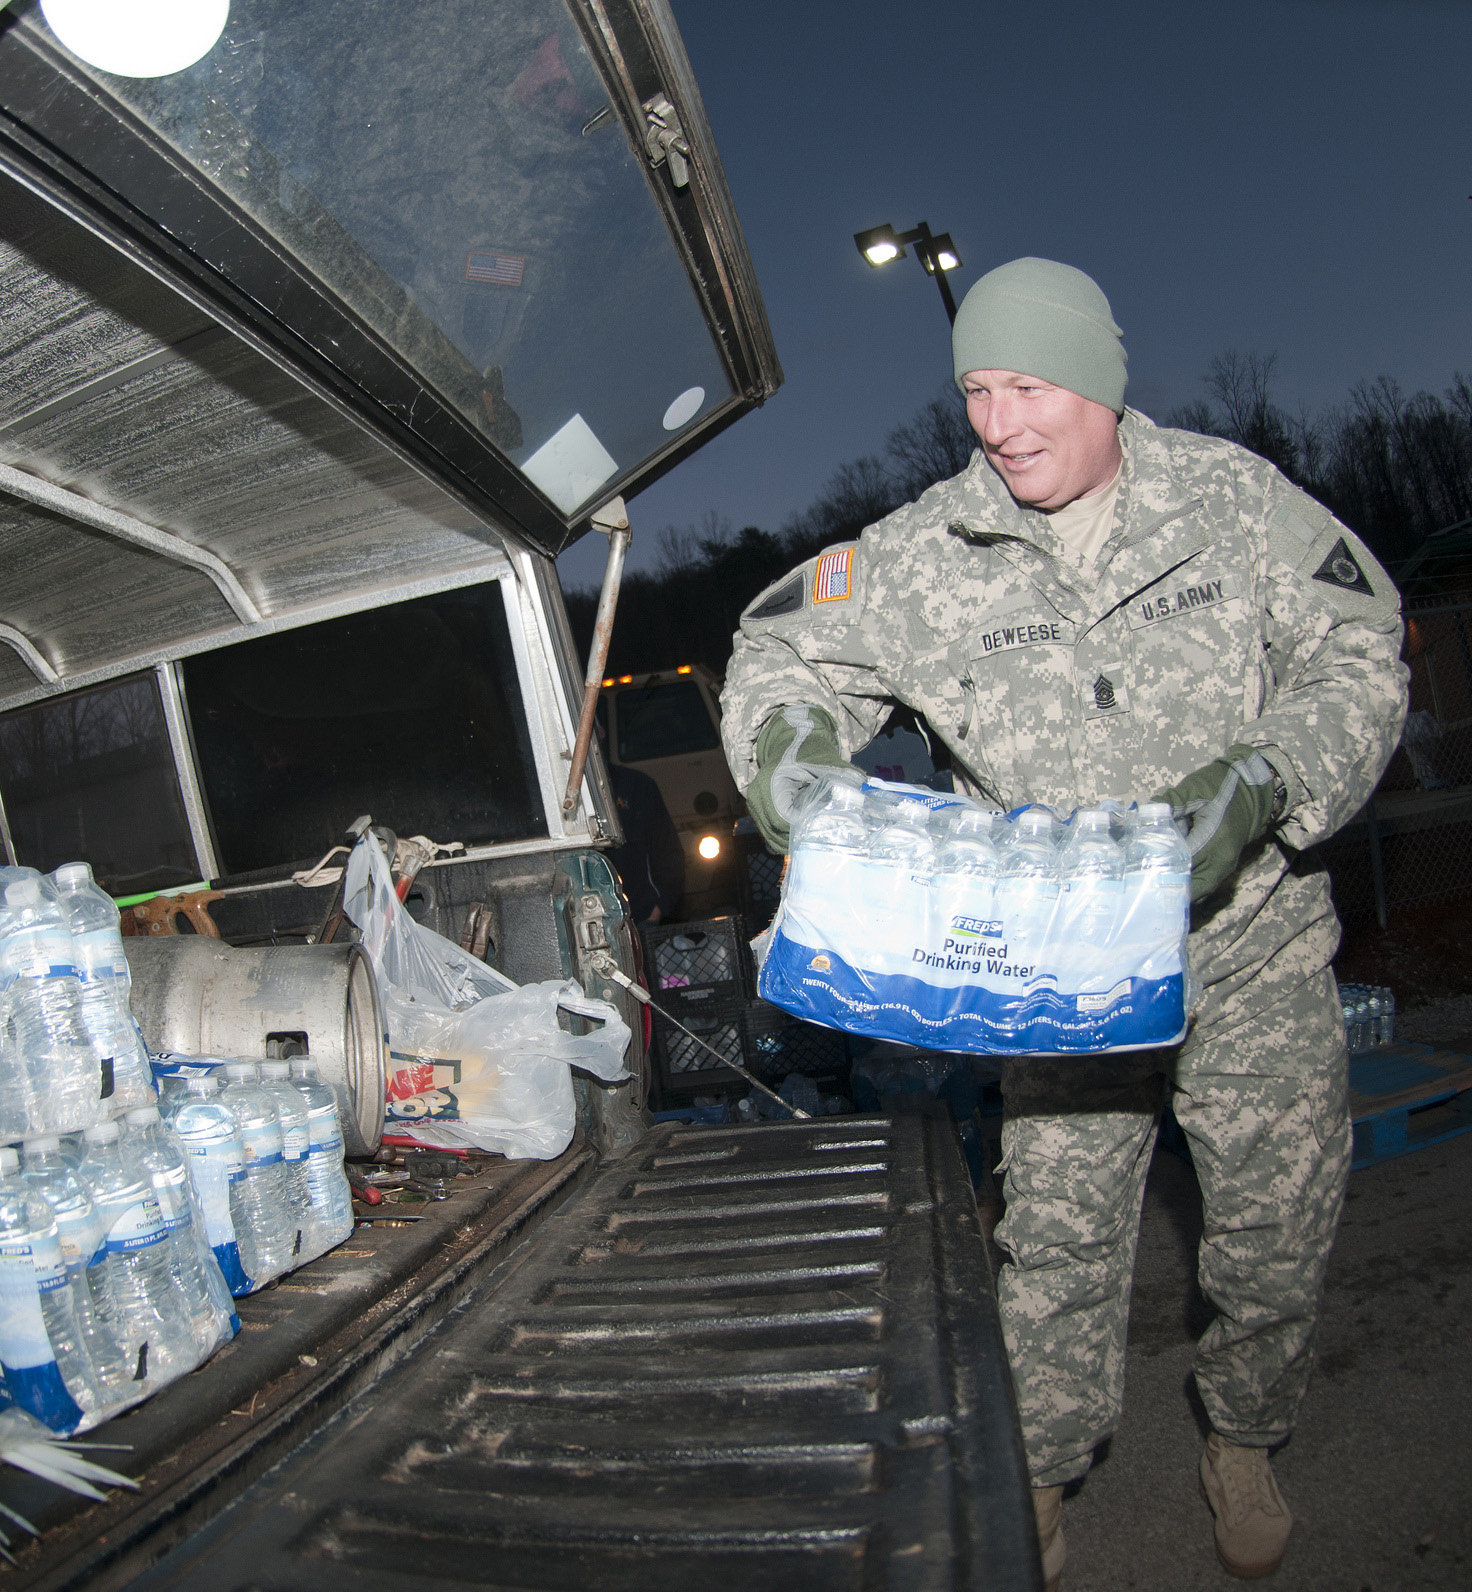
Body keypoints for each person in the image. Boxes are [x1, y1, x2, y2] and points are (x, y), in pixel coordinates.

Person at [718, 258, 1406, 1587]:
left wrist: (1262, 782)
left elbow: (1356, 655)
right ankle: (1033, 1476)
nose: (998, 419)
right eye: (976, 388)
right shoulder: (928, 552)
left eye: (1027, 383)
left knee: (1274, 1238)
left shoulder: (1235, 504)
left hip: (1244, 958)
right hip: (1059, 981)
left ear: (1100, 377)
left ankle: (1244, 1436)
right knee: (1055, 1253)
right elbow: (779, 648)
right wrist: (792, 756)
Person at [598, 719, 687, 922]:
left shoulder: (637, 786)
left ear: (601, 732)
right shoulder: (564, 799)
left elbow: (667, 849)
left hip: (642, 918)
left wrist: (659, 907)